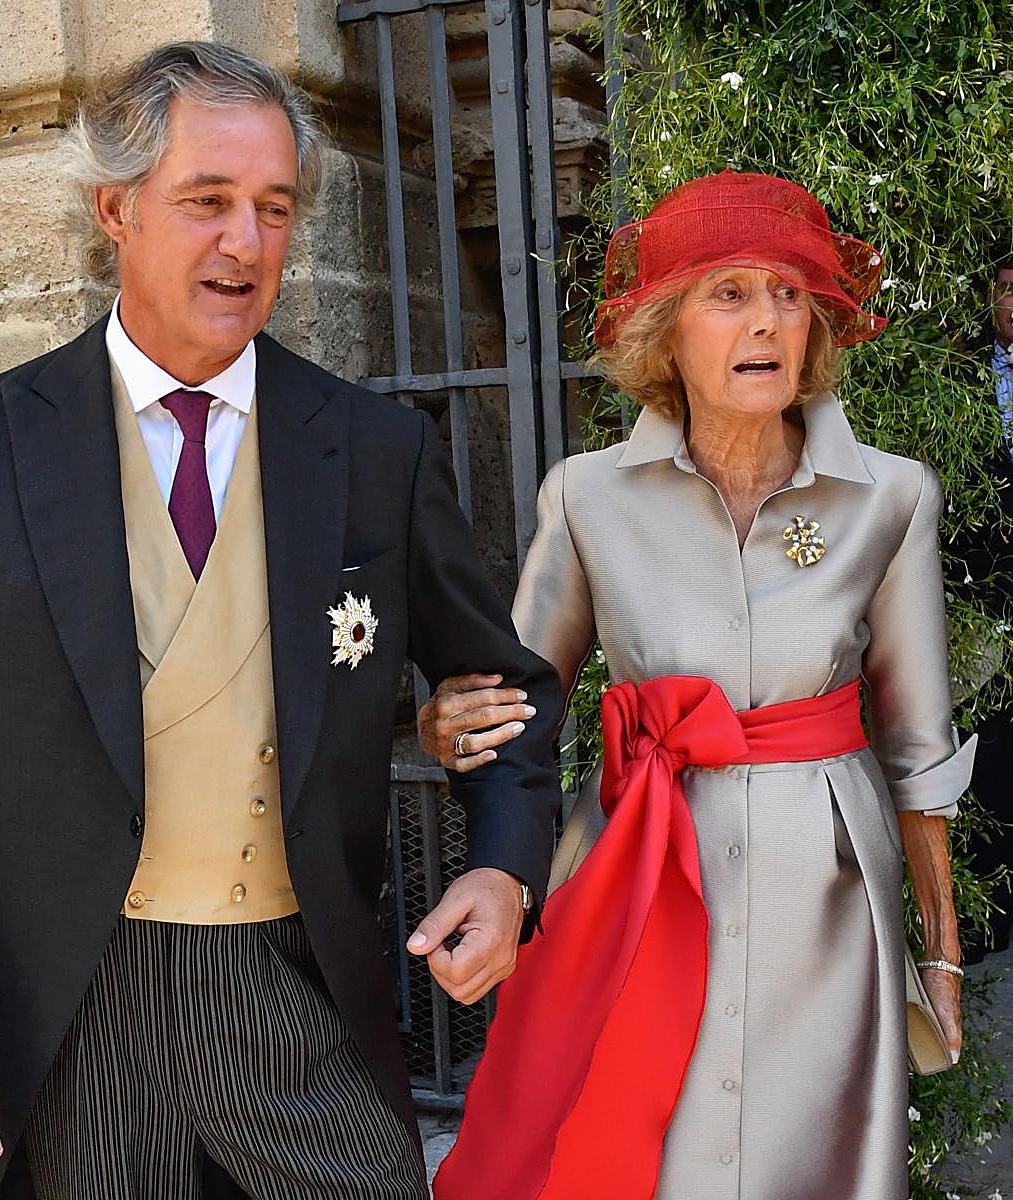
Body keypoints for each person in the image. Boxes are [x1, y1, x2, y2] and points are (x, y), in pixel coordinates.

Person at [0, 42, 562, 1200]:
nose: (245, 242)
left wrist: (504, 871)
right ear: (115, 210)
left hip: (298, 995)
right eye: (208, 201)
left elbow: (507, 694)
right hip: (76, 1015)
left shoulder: (372, 451)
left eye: (274, 208)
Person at [419, 171, 974, 1200]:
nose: (767, 321)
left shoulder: (891, 496)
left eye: (790, 294)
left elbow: (917, 749)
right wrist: (446, 721)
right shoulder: (587, 498)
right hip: (640, 888)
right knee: (639, 1154)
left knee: (812, 1165)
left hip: (829, 907)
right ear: (665, 332)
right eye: (728, 293)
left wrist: (938, 957)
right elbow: (519, 698)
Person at [957, 252, 1013, 962]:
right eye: (1006, 290)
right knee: (991, 740)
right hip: (985, 589)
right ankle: (992, 914)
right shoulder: (960, 379)